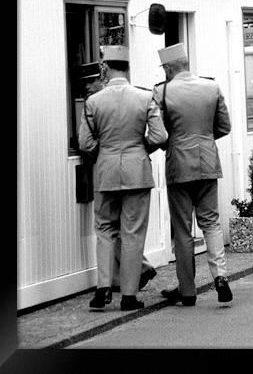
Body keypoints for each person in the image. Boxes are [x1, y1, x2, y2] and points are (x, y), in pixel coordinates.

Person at [78, 46, 167, 311]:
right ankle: (128, 296)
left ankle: (103, 290)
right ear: (127, 68)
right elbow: (160, 136)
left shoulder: (94, 101)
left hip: (105, 172)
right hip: (137, 172)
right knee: (132, 233)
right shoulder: (144, 97)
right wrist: (141, 150)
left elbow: (85, 141)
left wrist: (103, 153)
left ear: (106, 68)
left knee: (105, 230)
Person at [152, 42, 233, 307]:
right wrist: (206, 140)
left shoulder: (162, 92)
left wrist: (173, 143)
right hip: (208, 162)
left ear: (169, 67)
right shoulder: (211, 86)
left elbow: (160, 132)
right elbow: (224, 126)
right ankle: (220, 276)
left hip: (178, 166)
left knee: (183, 229)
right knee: (210, 222)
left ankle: (187, 291)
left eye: (164, 67)